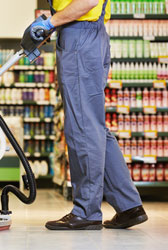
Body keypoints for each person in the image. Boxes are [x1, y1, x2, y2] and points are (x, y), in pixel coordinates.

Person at [31, 0, 148, 230]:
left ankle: (86, 211)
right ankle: (128, 206)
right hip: (84, 35)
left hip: (80, 37)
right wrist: (52, 23)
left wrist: (51, 22)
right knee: (94, 127)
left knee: (82, 126)